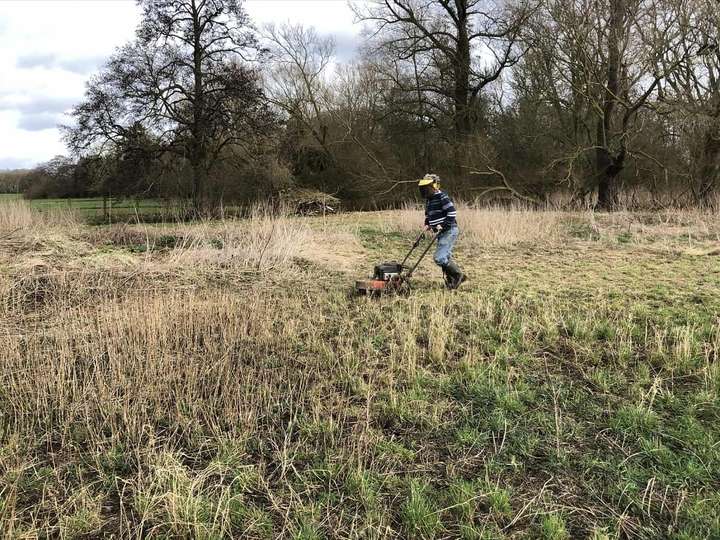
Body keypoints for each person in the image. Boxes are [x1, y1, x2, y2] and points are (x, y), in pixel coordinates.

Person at [418, 173, 466, 289]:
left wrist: (444, 225)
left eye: (427, 188)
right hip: (441, 233)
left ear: (434, 186)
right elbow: (429, 216)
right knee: (445, 257)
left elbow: (452, 212)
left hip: (449, 231)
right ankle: (452, 279)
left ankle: (458, 275)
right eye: (423, 189)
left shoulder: (442, 197)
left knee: (439, 258)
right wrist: (427, 225)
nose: (425, 191)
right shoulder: (429, 200)